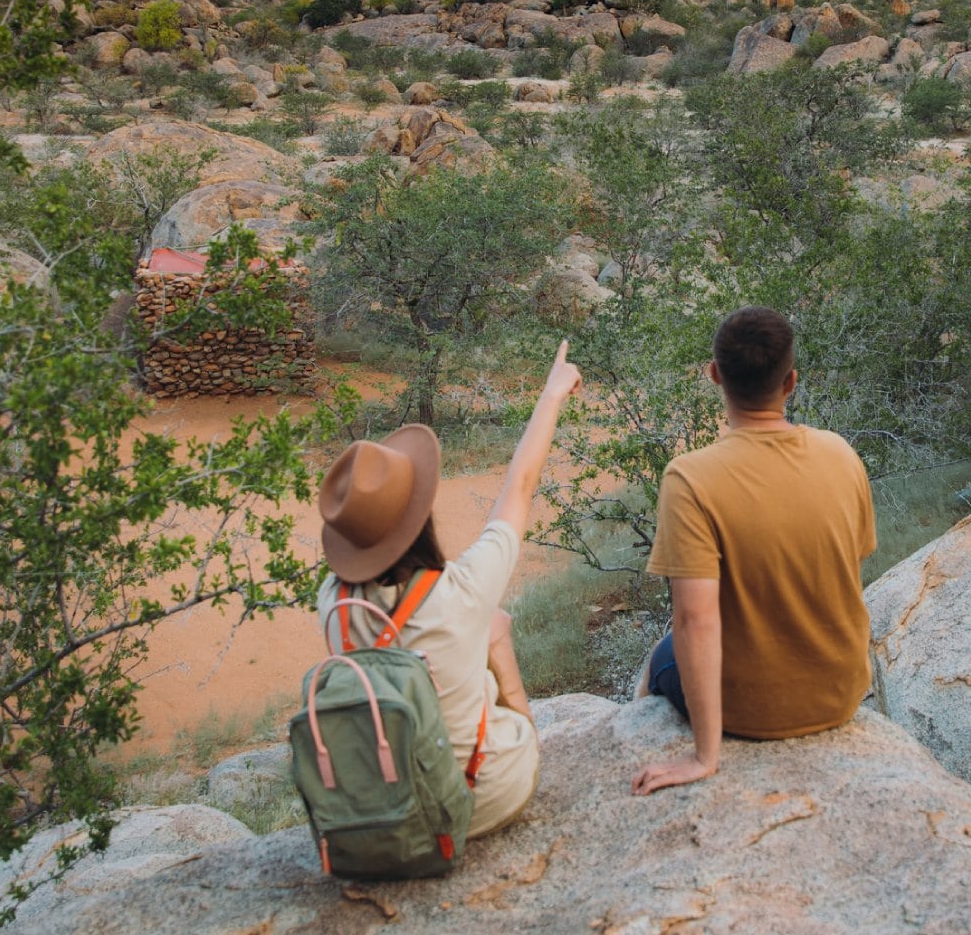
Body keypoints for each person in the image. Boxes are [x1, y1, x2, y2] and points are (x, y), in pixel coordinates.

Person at [316, 340, 582, 836]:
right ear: (419, 515)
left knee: (485, 627)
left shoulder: (331, 603)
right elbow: (519, 486)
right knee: (493, 626)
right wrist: (551, 395)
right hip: (478, 800)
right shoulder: (462, 590)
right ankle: (526, 739)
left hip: (388, 815)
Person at [631, 307, 876, 796]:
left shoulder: (690, 477)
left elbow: (694, 621)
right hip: (841, 694)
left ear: (715, 375)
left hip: (749, 711)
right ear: (790, 382)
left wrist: (705, 755)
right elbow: (851, 563)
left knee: (661, 654)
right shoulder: (841, 454)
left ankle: (636, 724)